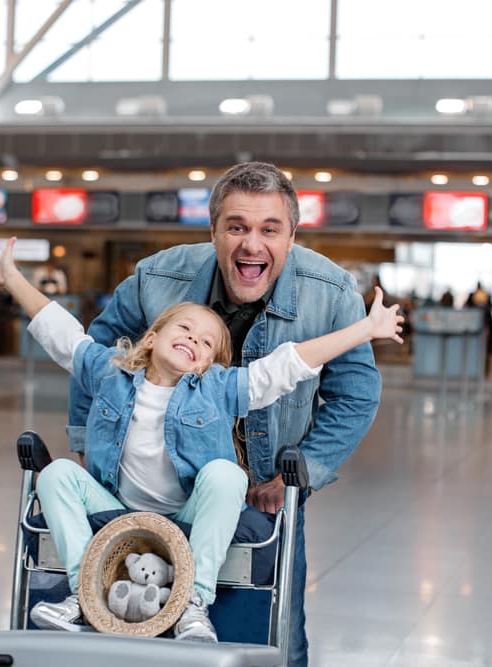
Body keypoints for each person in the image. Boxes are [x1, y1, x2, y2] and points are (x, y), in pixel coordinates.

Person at [0, 235, 402, 641]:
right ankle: (85, 594)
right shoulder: (109, 370)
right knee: (57, 474)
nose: (193, 339)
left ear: (210, 363)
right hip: (117, 503)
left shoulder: (219, 388)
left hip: (186, 511)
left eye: (207, 342)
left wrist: (366, 328)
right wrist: (11, 277)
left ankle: (194, 603)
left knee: (227, 475)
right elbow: (59, 332)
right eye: (185, 328)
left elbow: (288, 365)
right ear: (151, 338)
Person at [67, 162, 382, 665]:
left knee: (277, 633)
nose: (251, 245)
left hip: (263, 497)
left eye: (269, 229)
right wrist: (88, 446)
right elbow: (95, 358)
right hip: (153, 490)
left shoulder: (331, 292)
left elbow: (357, 393)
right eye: (236, 227)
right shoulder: (156, 279)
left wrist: (297, 475)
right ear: (213, 230)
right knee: (137, 628)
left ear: (292, 236)